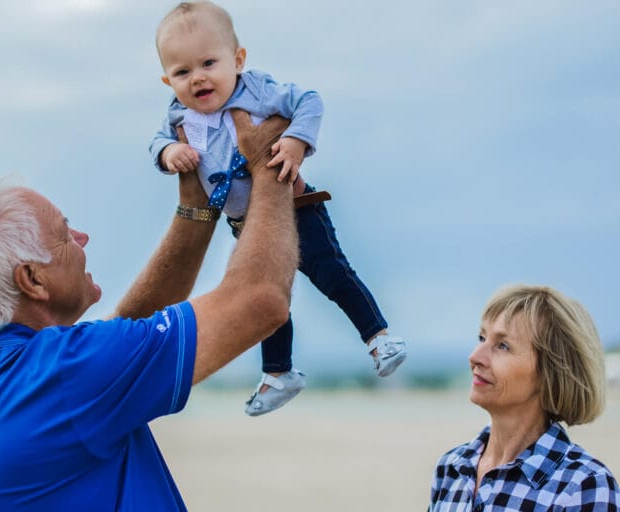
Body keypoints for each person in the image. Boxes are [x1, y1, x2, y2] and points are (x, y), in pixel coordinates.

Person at [0, 112, 298, 511]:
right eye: (64, 233)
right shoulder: (66, 374)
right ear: (32, 280)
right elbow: (261, 300)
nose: (81, 237)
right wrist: (268, 167)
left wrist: (197, 208)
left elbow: (124, 334)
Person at [150, 0, 407, 417]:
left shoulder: (258, 91)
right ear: (168, 80)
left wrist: (296, 141)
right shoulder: (180, 116)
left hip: (296, 208)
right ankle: (278, 373)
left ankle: (378, 336)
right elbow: (156, 143)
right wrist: (169, 152)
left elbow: (309, 100)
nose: (197, 78)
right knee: (264, 297)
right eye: (182, 72)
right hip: (245, 225)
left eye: (209, 63)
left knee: (331, 272)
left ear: (237, 59)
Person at [429, 285, 620, 511]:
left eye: (503, 345)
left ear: (551, 372)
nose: (475, 357)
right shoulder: (451, 468)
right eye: (482, 338)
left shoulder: (584, 486)